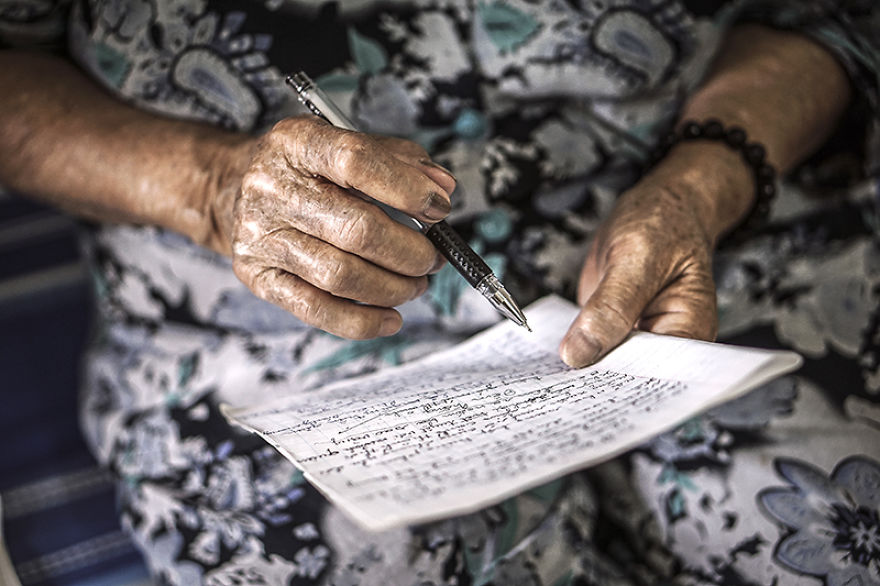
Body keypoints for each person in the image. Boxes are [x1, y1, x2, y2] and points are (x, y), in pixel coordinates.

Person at [0, 0, 878, 583]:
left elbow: (830, 15)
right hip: (271, 307)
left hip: (706, 239)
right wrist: (212, 185)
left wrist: (701, 183)